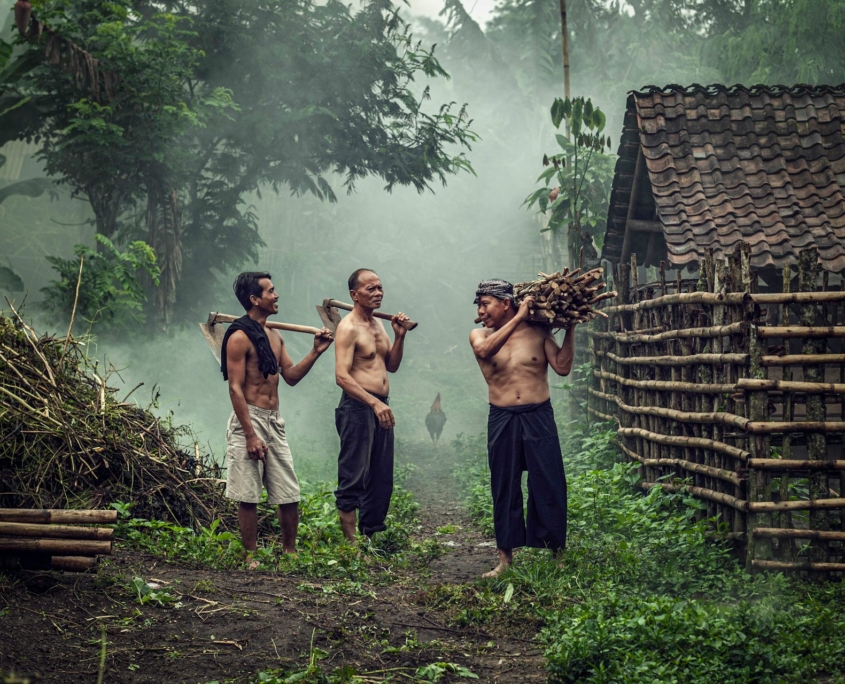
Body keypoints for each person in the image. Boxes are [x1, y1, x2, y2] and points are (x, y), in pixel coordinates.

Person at [222, 272, 334, 568]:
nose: (277, 295)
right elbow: (234, 387)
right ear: (254, 299)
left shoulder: (274, 335)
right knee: (248, 493)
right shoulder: (238, 337)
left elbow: (292, 376)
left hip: (274, 421)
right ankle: (250, 556)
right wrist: (249, 435)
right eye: (271, 291)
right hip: (249, 419)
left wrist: (316, 351)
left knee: (289, 492)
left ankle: (290, 552)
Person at [469, 278, 574, 577]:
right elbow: (486, 351)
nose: (481, 310)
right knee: (505, 485)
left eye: (485, 303)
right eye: (479, 305)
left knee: (549, 483)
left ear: (505, 303)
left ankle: (557, 556)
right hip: (502, 417)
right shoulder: (478, 334)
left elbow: (563, 367)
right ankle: (505, 560)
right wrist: (519, 315)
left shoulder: (539, 332)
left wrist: (571, 329)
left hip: (539, 414)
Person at [333, 268, 411, 542]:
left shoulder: (379, 324)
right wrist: (373, 404)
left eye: (379, 288)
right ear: (354, 295)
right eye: (370, 289)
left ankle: (371, 536)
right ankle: (351, 545)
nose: (378, 293)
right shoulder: (348, 328)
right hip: (358, 407)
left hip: (381, 406)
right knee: (354, 475)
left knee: (381, 477)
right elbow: (342, 377)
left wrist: (400, 335)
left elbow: (391, 365)